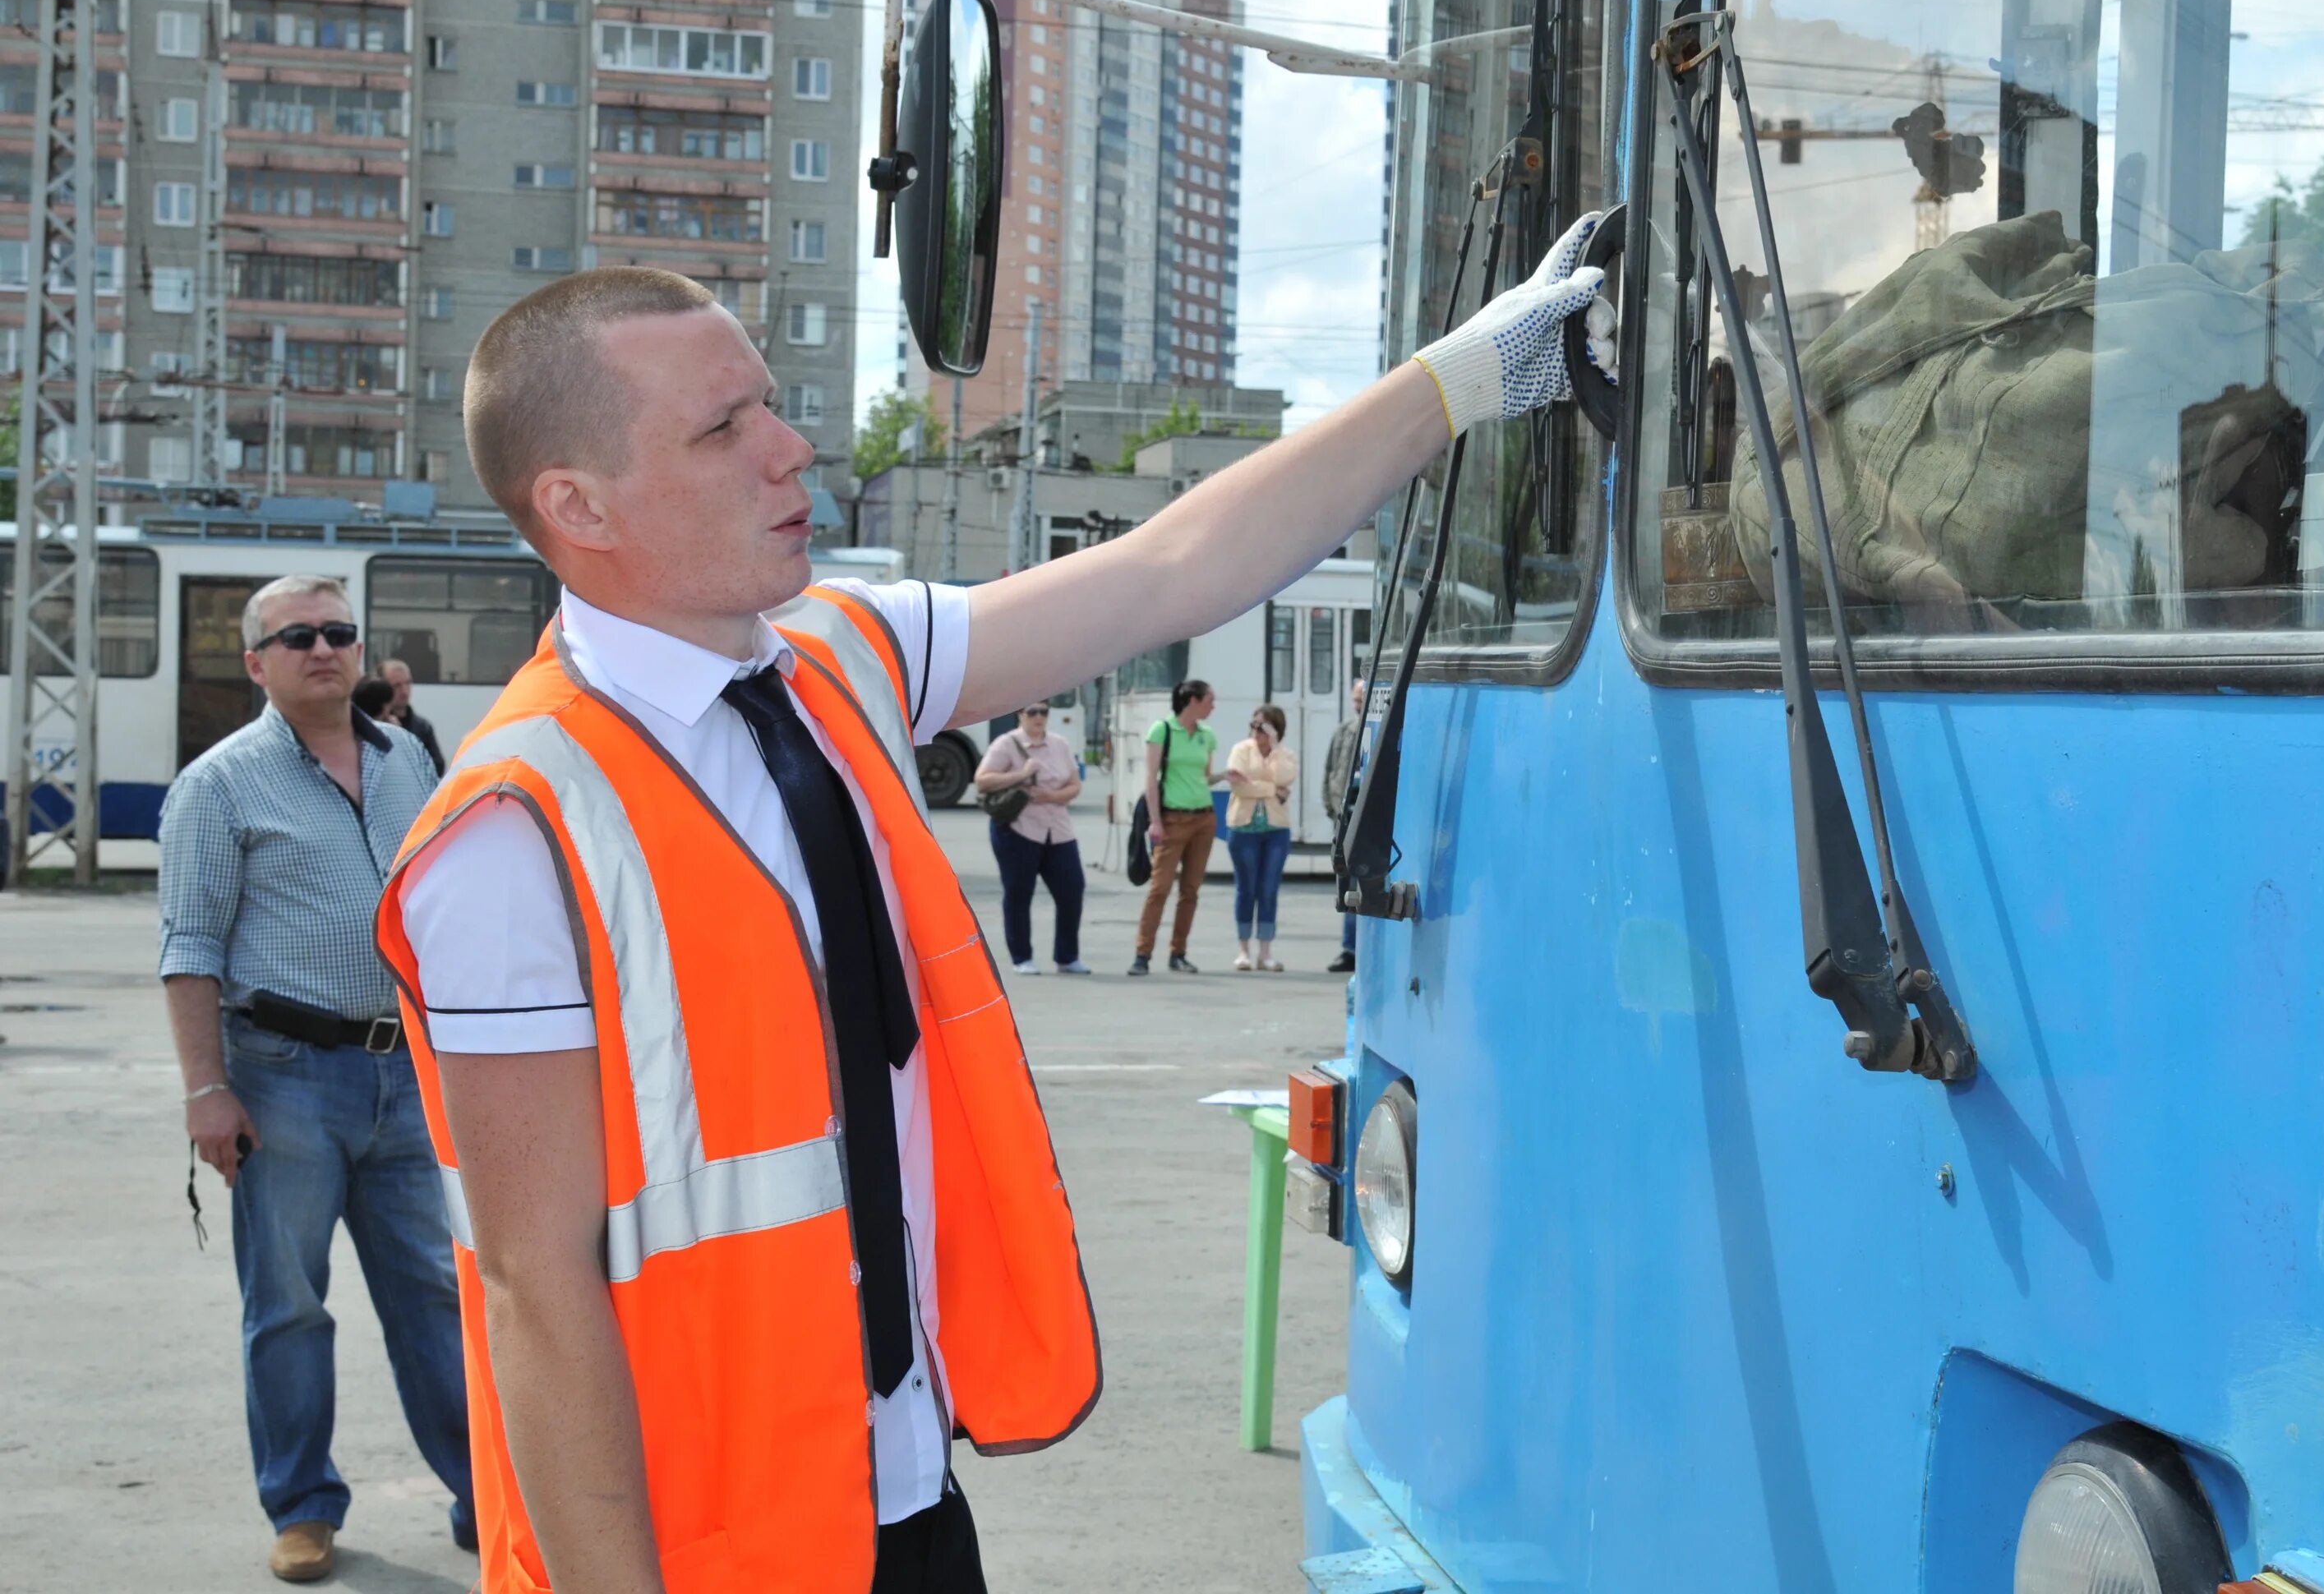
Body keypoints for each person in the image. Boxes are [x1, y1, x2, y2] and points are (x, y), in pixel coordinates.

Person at [377, 216, 1602, 1594]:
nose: (790, 448)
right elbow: (537, 1289)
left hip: (898, 1499)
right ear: (580, 506)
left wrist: (1462, 380)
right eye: (723, 430)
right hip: (704, 1545)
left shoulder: (842, 654)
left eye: (771, 402)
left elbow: (1170, 569)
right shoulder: (510, 830)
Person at [155, 574, 473, 1585]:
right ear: (257, 663)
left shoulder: (406, 758)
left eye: (338, 631)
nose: (322, 648)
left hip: (405, 1075)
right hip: (283, 1075)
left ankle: (486, 1489)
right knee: (289, 1303)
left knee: (434, 1293)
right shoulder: (219, 784)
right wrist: (208, 1089)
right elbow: (190, 945)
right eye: (297, 636)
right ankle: (301, 1504)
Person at [973, 701, 1087, 975]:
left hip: (1058, 830)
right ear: (1020, 715)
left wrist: (1053, 796)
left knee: (1072, 890)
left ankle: (1067, 957)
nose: (1039, 717)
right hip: (1018, 829)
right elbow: (982, 780)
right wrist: (1021, 774)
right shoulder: (1006, 744)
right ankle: (1021, 957)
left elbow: (1075, 785)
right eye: (1032, 712)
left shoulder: (1059, 744)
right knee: (1018, 894)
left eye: (1044, 712)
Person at [1130, 678, 1227, 975]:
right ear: (1193, 701)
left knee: (1191, 891)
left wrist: (1224, 776)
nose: (1213, 706)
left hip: (1203, 818)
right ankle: (1142, 954)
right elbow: (1151, 778)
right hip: (1172, 819)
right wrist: (1156, 821)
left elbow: (1204, 776)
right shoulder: (1163, 730)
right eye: (1210, 700)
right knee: (1159, 889)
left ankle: (1178, 952)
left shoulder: (1206, 735)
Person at [1225, 705, 1300, 971]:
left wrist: (1275, 748)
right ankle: (1243, 950)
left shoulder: (1285, 754)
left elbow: (1285, 777)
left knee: (1269, 890)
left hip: (1275, 830)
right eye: (1254, 725)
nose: (1256, 731)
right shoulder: (1240, 750)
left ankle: (1265, 952)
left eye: (1263, 727)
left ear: (1276, 731)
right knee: (1246, 889)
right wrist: (1273, 790)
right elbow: (1239, 785)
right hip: (1243, 829)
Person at [1325, 678, 1367, 972]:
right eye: (1355, 700)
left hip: (1371, 816)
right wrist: (1332, 807)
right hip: (1346, 816)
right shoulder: (1345, 730)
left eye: (1360, 699)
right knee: (1348, 883)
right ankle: (1350, 949)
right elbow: (1331, 769)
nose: (1357, 705)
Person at [380, 658, 447, 775]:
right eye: (397, 686)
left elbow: (438, 766)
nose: (404, 691)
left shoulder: (423, 727)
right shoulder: (376, 725)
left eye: (408, 683)